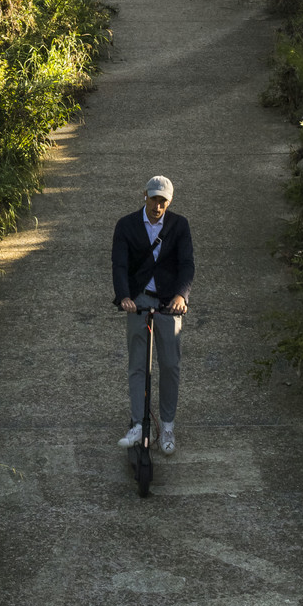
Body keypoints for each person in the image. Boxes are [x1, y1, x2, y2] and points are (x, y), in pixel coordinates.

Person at [112, 174, 193, 454]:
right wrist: (124, 296)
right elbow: (120, 264)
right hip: (139, 300)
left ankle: (167, 426)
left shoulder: (179, 226)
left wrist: (182, 296)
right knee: (138, 365)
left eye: (163, 201)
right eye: (153, 199)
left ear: (169, 202)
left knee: (170, 364)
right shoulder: (126, 225)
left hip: (169, 303)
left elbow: (187, 264)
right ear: (144, 195)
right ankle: (137, 423)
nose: (157, 206)